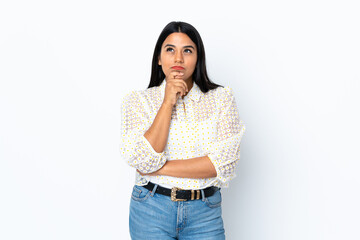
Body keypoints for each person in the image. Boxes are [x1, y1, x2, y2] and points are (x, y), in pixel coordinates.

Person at [120, 21, 246, 240]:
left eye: (187, 50)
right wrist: (167, 102)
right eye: (170, 50)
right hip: (151, 209)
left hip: (204, 213)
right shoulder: (138, 101)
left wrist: (158, 168)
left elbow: (223, 163)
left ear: (198, 58)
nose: (178, 59)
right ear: (159, 58)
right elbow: (143, 160)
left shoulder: (221, 98)